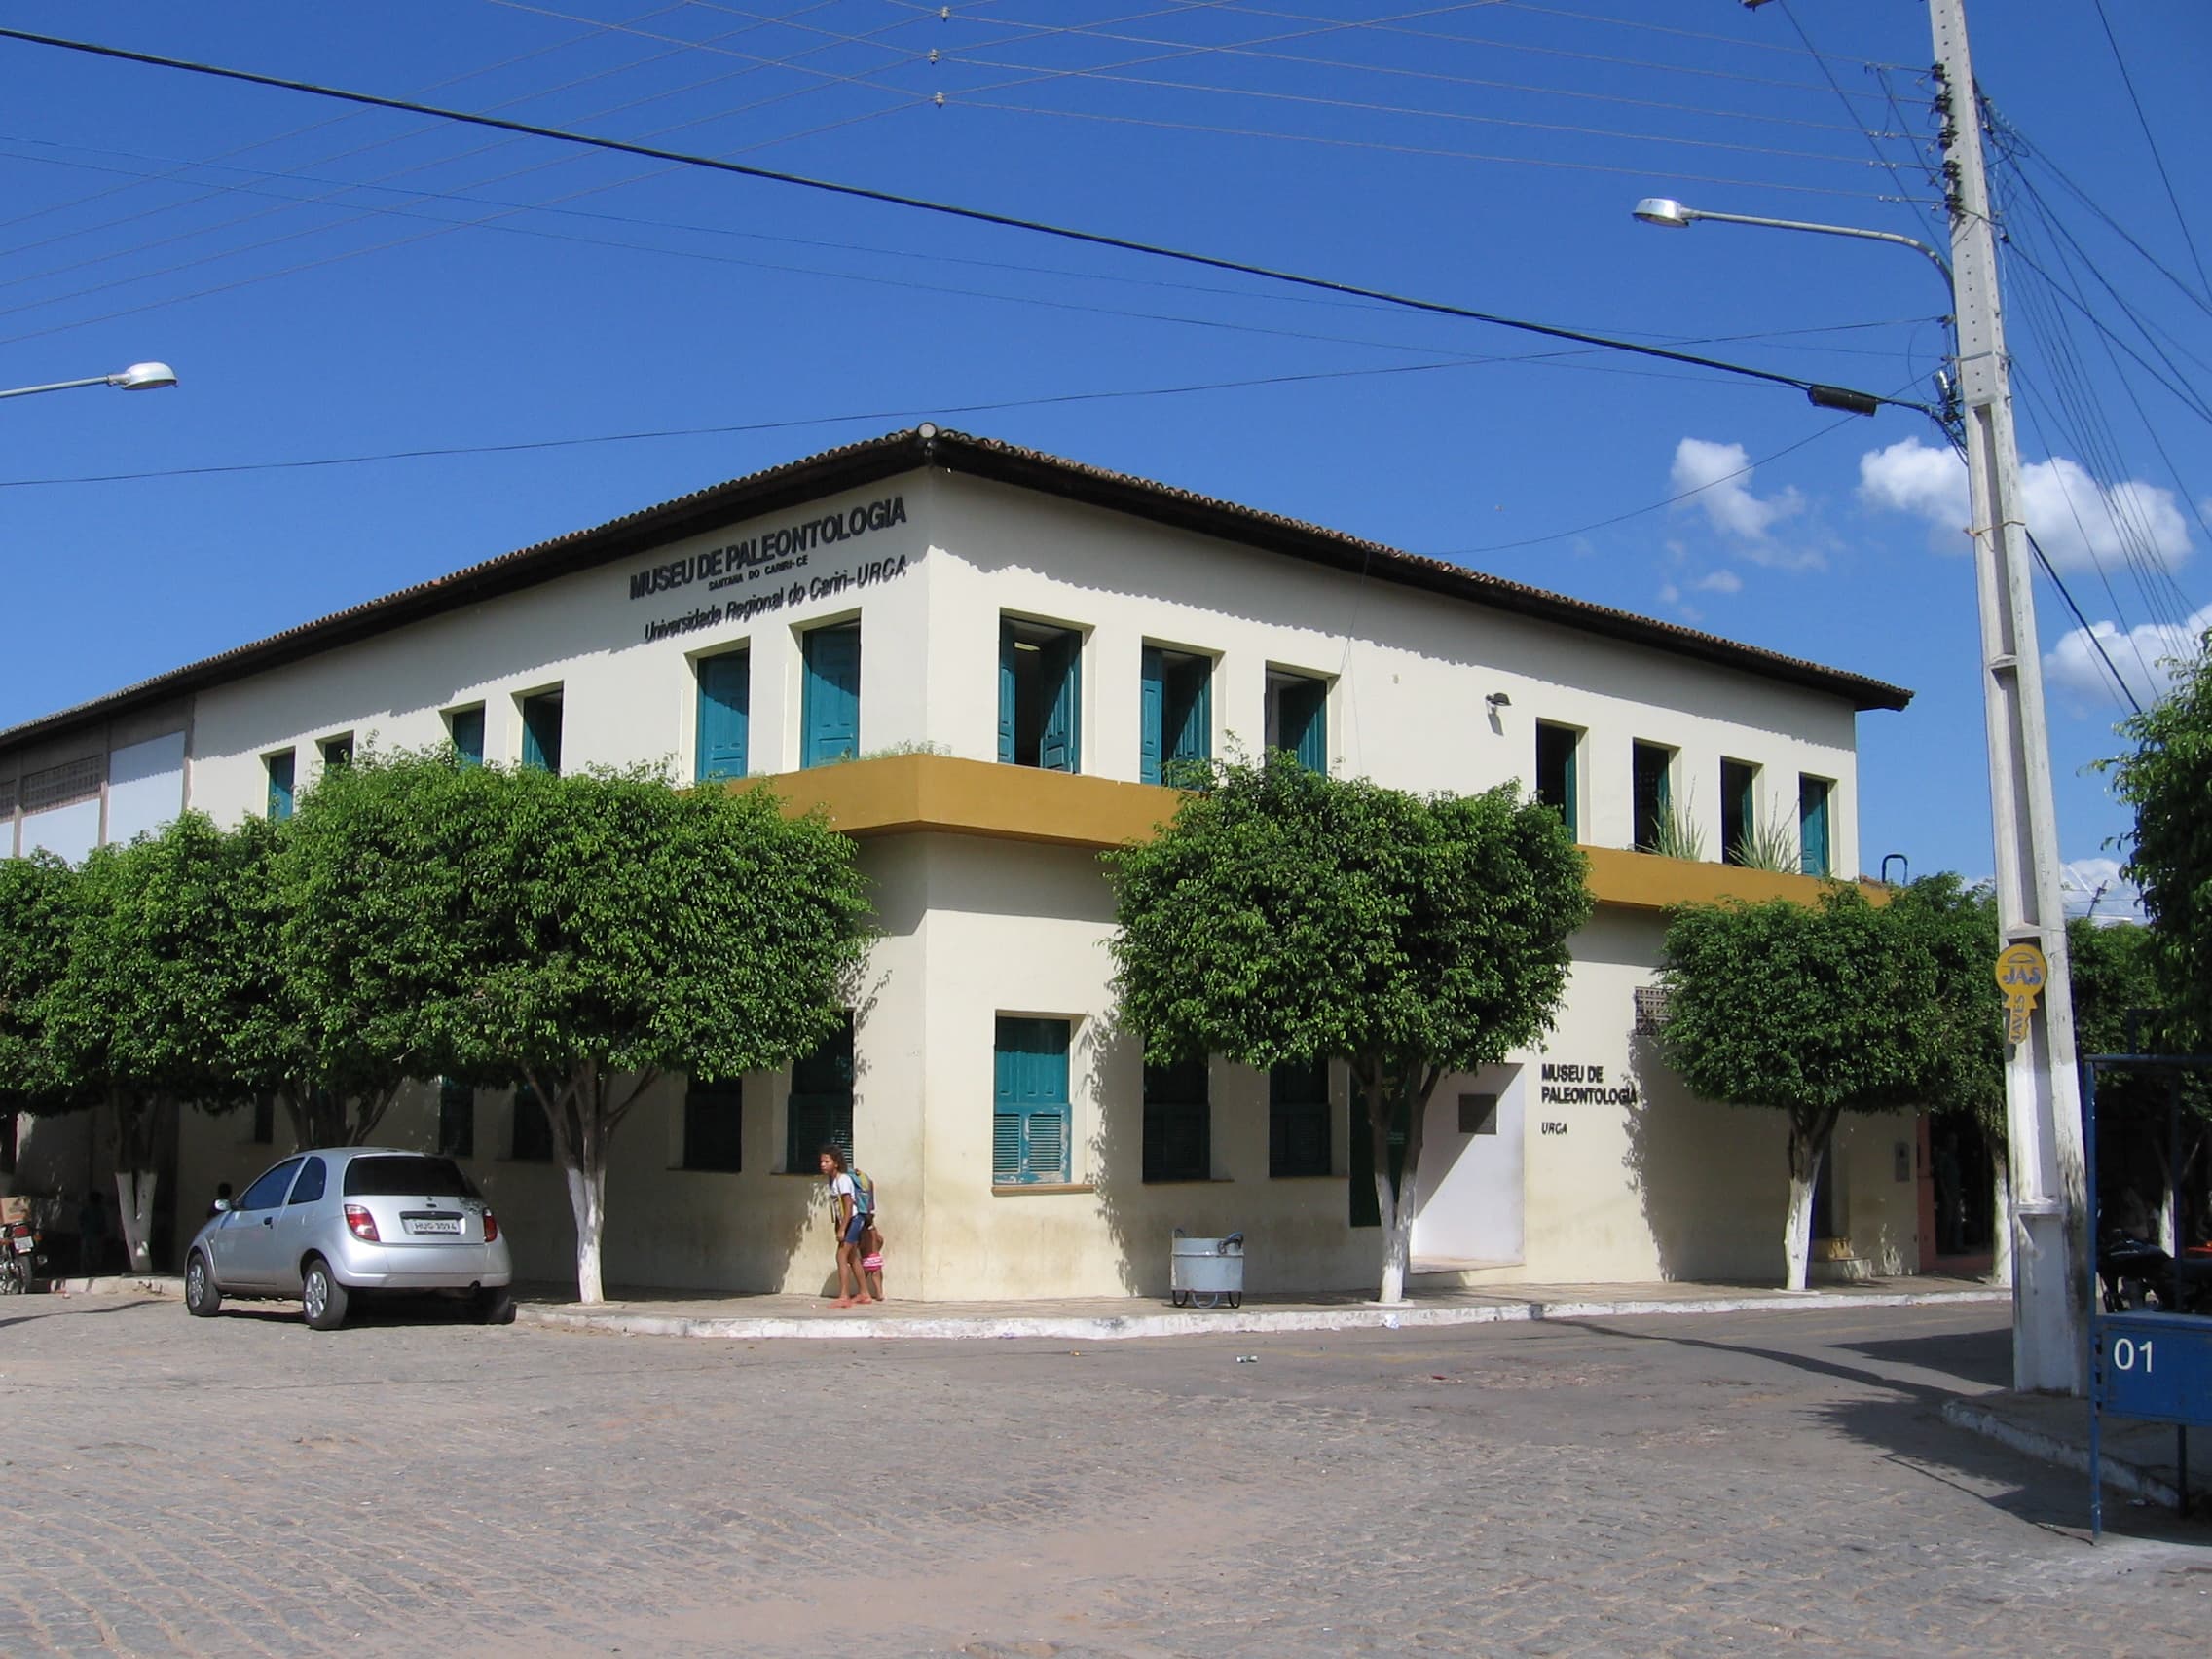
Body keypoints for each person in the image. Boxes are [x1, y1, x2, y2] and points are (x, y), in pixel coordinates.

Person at [818, 1146, 872, 1308]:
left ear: (836, 1163)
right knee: (852, 1256)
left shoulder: (843, 1180)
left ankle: (844, 1296)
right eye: (821, 1161)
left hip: (854, 1220)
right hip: (848, 1221)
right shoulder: (833, 1181)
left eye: (826, 1161)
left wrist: (843, 1228)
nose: (822, 1165)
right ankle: (864, 1293)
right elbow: (838, 1208)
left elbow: (848, 1207)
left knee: (841, 1256)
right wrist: (838, 1226)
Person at [77, 1189, 109, 1276]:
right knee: (95, 1254)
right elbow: (103, 1223)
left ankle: (87, 1271)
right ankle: (93, 1271)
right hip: (95, 1235)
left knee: (87, 1254)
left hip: (88, 1235)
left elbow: (80, 1221)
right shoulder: (99, 1210)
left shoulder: (87, 1209)